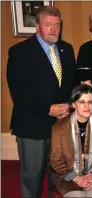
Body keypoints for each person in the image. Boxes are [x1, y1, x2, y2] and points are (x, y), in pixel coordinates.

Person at [6, 6, 77, 198]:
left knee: (60, 173)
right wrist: (48, 109)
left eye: (57, 25)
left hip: (61, 124)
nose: (53, 29)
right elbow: (19, 92)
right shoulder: (20, 52)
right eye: (48, 25)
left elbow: (73, 84)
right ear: (37, 26)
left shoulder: (67, 49)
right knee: (32, 176)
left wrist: (70, 107)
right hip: (32, 125)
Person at [50, 84, 92, 197]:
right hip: (68, 178)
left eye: (90, 102)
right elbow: (56, 160)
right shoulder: (59, 127)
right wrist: (77, 178)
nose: (87, 106)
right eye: (82, 102)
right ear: (73, 104)